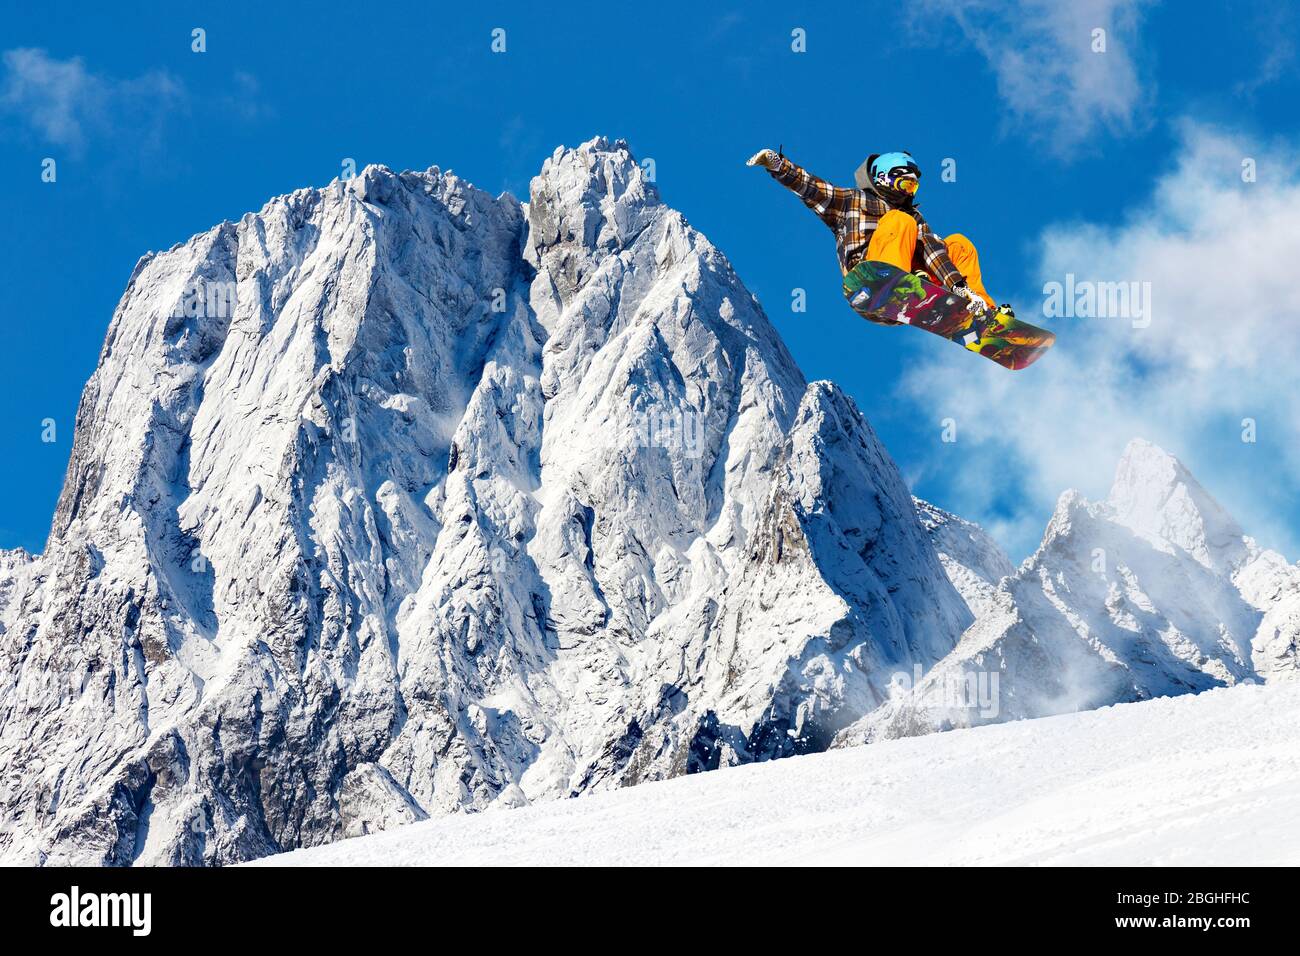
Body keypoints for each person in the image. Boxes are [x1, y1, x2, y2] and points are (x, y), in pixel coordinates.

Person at [746, 148, 1012, 320]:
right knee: (899, 220)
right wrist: (778, 165)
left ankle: (980, 309)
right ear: (885, 178)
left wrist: (959, 286)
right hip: (868, 284)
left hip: (913, 287)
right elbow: (813, 188)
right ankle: (896, 283)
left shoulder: (914, 219)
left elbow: (935, 253)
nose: (909, 191)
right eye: (906, 183)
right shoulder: (852, 201)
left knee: (958, 244)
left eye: (914, 187)